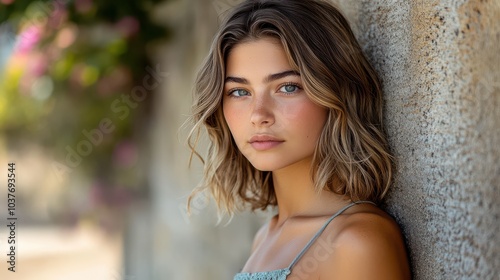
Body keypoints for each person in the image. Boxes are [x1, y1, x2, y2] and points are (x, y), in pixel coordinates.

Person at [187, 0, 411, 279]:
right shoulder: (265, 236)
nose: (259, 115)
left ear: (335, 94)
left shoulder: (356, 242)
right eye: (239, 92)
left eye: (288, 87)